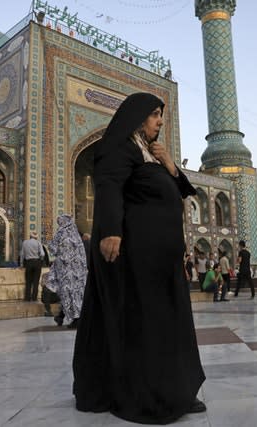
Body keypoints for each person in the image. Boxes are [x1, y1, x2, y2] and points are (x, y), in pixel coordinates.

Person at [72, 92, 205, 424]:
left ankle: (177, 388)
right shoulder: (119, 147)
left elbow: (187, 191)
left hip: (164, 261)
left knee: (169, 323)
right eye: (156, 115)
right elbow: (110, 187)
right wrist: (111, 231)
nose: (160, 121)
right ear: (138, 116)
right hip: (139, 256)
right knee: (148, 322)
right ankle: (148, 391)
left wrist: (170, 164)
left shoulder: (153, 154)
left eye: (162, 115)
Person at [44, 214, 87, 328]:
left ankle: (73, 319)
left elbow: (52, 248)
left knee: (66, 294)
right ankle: (63, 316)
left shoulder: (61, 232)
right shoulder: (76, 234)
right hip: (78, 273)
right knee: (76, 294)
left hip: (65, 271)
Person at [20, 231, 44, 301]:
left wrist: (21, 264)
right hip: (37, 263)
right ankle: (34, 298)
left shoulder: (25, 243)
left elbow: (22, 254)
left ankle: (27, 298)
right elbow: (42, 254)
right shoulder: (38, 243)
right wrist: (40, 260)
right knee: (36, 282)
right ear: (36, 237)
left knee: (28, 281)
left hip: (28, 263)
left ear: (30, 236)